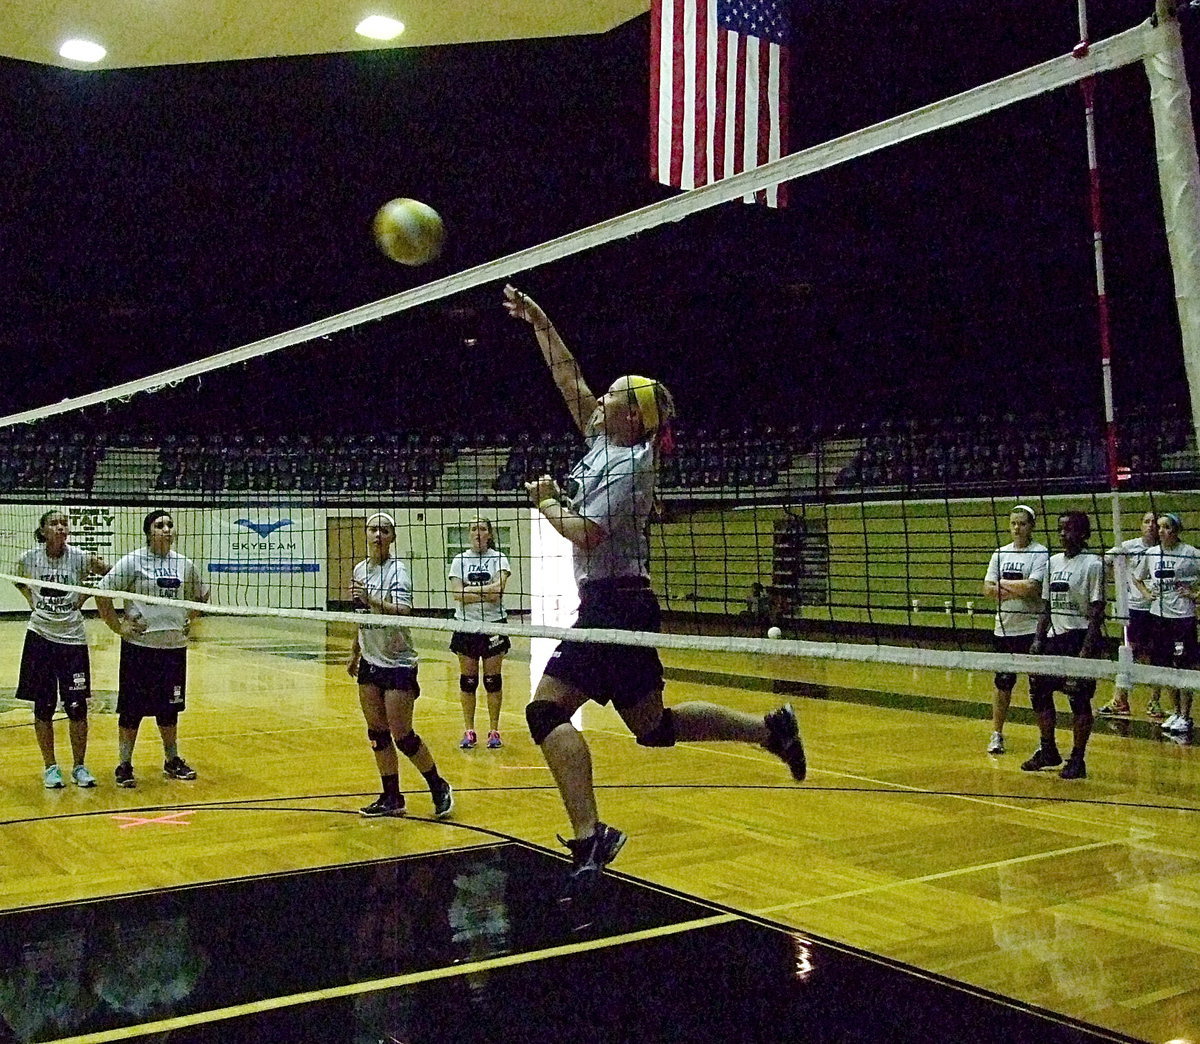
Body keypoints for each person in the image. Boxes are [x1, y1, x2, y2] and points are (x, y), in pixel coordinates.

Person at [503, 284, 806, 894]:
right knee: (655, 727)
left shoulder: (630, 467)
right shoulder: (603, 444)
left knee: (543, 712)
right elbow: (570, 381)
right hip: (619, 603)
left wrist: (545, 503)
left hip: (617, 601)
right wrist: (541, 322)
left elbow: (585, 534)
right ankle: (770, 730)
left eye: (615, 394)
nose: (602, 397)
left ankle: (592, 836)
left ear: (633, 415)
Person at [348, 512, 453, 818]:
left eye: (384, 530)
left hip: (398, 663)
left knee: (402, 735)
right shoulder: (359, 569)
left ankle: (438, 785)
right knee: (377, 733)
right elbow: (360, 614)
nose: (377, 534)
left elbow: (404, 611)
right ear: (365, 534)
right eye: (372, 529)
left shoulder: (399, 571)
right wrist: (355, 651)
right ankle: (392, 797)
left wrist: (371, 600)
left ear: (392, 537)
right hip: (369, 661)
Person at [95, 510, 209, 788]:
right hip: (140, 648)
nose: (167, 529)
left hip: (173, 649)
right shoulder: (133, 561)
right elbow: (102, 592)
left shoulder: (184, 564)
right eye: (160, 525)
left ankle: (172, 761)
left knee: (169, 709)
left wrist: (188, 618)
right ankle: (124, 765)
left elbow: (202, 595)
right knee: (132, 710)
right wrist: (118, 627)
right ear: (148, 532)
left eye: (170, 525)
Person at [14, 509, 110, 789]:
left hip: (72, 640)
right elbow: (19, 580)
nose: (60, 527)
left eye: (64, 523)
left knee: (77, 707)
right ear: (43, 530)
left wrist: (84, 595)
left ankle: (79, 766)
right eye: (54, 523)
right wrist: (32, 601)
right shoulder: (29, 559)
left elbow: (109, 574)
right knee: (43, 707)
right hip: (40, 637)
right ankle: (51, 767)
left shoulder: (80, 557)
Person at [1021, 511, 1105, 780]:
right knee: (1038, 691)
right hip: (1054, 639)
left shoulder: (1093, 564)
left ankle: (1078, 758)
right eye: (1060, 529)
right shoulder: (1053, 562)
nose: (1062, 535)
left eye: (1069, 529)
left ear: (1082, 534)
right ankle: (1048, 750)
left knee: (1078, 699)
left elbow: (1096, 612)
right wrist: (1038, 639)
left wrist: (1085, 652)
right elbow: (1046, 606)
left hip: (1079, 637)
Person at [981, 505, 1048, 755]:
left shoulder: (1040, 553)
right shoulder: (1000, 553)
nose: (1017, 528)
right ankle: (997, 734)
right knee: (1002, 684)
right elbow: (987, 590)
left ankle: (1045, 739)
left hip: (1032, 629)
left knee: (1038, 686)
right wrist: (1013, 586)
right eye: (1013, 524)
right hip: (1004, 630)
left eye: (1022, 523)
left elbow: (1033, 587)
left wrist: (1002, 584)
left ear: (1031, 526)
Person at [448, 518, 512, 750]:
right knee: (468, 681)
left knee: (492, 681)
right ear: (469, 534)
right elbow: (457, 595)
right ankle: (469, 731)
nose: (478, 532)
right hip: (466, 625)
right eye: (473, 528)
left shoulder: (499, 558)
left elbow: (498, 593)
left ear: (489, 534)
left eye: (482, 528)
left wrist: (469, 590)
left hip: (494, 624)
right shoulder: (459, 560)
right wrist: (486, 590)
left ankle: (494, 731)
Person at [1132, 512, 1199, 734]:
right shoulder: (1152, 553)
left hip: (1182, 618)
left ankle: (1186, 715)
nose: (1161, 531)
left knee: (1183, 665)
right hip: (1158, 617)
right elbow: (1137, 576)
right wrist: (1146, 594)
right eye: (1159, 527)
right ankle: (1175, 711)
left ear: (1176, 530)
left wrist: (1194, 594)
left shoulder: (1189, 553)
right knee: (1166, 665)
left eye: (1166, 527)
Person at [1099, 510, 1162, 718]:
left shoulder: (1165, 549)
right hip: (1134, 608)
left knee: (1156, 655)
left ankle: (1155, 702)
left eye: (1155, 522)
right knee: (1128, 652)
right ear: (1140, 525)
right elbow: (1104, 563)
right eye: (1147, 521)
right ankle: (1120, 700)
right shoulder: (1128, 546)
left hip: (1158, 609)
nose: (1151, 525)